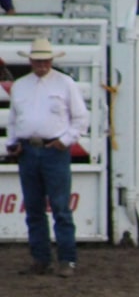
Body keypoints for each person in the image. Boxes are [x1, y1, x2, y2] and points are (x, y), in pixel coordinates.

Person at [6, 39, 89, 277]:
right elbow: (13, 121)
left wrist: (65, 140)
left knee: (60, 207)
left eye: (45, 61)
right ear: (31, 61)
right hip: (29, 150)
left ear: (51, 61)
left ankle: (66, 259)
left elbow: (81, 119)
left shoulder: (65, 84)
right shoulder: (20, 86)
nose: (41, 64)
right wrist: (12, 143)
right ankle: (42, 259)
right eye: (37, 61)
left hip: (54, 149)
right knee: (34, 208)